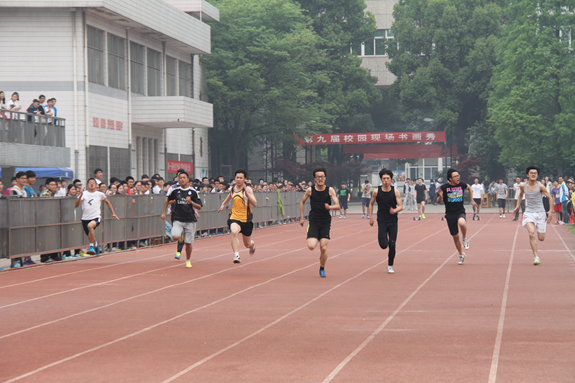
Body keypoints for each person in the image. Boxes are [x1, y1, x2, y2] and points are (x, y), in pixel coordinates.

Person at [299, 167, 340, 277]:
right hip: (313, 221)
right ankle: (313, 235)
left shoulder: (330, 190)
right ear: (315, 179)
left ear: (325, 178)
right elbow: (302, 202)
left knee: (323, 247)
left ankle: (322, 268)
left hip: (325, 221)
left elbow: (338, 206)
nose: (320, 178)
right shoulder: (310, 190)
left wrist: (330, 207)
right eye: (318, 177)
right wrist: (302, 217)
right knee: (312, 246)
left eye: (322, 176)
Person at [160, 171, 202, 268]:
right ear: (178, 179)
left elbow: (199, 206)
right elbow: (167, 200)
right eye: (180, 178)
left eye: (184, 178)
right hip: (178, 218)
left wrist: (191, 202)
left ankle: (188, 260)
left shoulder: (193, 192)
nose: (182, 179)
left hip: (190, 220)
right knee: (174, 237)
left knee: (188, 243)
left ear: (188, 179)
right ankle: (181, 235)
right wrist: (163, 213)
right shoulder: (175, 191)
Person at [513, 166, 553, 265]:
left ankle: (540, 229)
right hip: (529, 213)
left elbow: (549, 197)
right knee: (531, 234)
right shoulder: (523, 186)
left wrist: (550, 211)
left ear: (537, 175)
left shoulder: (540, 186)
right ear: (527, 175)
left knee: (541, 238)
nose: (533, 174)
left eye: (535, 173)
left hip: (540, 213)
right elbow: (520, 196)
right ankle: (536, 257)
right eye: (531, 173)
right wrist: (517, 206)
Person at [436, 168, 477, 265]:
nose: (458, 178)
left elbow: (469, 188)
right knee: (455, 237)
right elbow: (438, 201)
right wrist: (441, 197)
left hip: (460, 211)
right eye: (455, 176)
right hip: (450, 214)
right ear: (450, 179)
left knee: (462, 222)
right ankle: (461, 254)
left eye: (458, 176)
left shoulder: (461, 185)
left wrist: (472, 200)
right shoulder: (444, 187)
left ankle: (465, 238)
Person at [217, 169, 257, 264]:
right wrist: (223, 204)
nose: (238, 179)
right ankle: (237, 255)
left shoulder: (247, 190)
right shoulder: (232, 189)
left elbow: (255, 203)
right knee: (234, 232)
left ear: (245, 179)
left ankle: (252, 245)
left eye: (241, 178)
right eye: (237, 178)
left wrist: (248, 195)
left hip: (246, 219)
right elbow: (230, 196)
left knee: (247, 244)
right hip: (234, 217)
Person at [368, 168, 403, 274]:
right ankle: (386, 242)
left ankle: (390, 265)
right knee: (383, 245)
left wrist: (395, 210)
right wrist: (371, 217)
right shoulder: (376, 192)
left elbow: (401, 206)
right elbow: (371, 204)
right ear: (381, 179)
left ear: (391, 179)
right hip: (382, 220)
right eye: (384, 178)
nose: (386, 180)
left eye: (388, 178)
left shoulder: (395, 191)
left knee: (392, 244)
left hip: (392, 220)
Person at [75, 178, 120, 255]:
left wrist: (113, 213)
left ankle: (91, 246)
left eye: (93, 183)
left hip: (96, 217)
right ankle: (95, 243)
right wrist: (80, 196)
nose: (92, 184)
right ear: (87, 185)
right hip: (85, 218)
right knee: (89, 236)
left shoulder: (100, 194)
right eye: (90, 183)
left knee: (90, 226)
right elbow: (76, 205)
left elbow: (107, 202)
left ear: (96, 185)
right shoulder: (84, 194)